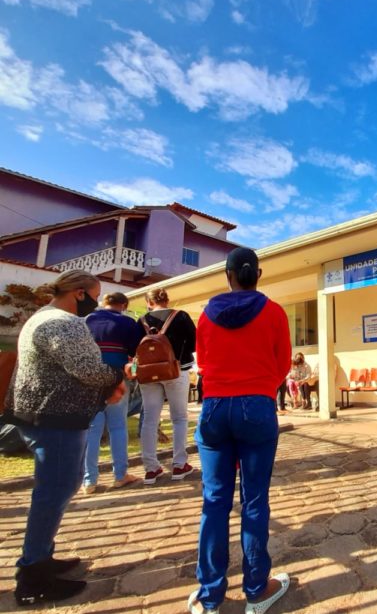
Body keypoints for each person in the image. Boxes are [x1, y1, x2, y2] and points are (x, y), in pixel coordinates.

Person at [10, 270, 125, 606]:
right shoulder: (65, 322)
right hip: (55, 417)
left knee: (60, 485)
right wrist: (118, 376)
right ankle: (32, 577)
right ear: (79, 293)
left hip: (41, 413)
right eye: (94, 294)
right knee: (54, 491)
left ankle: (41, 556)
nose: (95, 301)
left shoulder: (41, 317)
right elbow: (88, 369)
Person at [189, 247, 291, 614]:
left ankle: (210, 596)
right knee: (254, 499)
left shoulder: (205, 315)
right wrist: (261, 388)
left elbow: (202, 361)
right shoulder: (275, 311)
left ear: (228, 275)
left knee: (214, 501)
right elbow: (282, 363)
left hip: (214, 407)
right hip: (257, 406)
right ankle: (256, 589)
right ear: (257, 274)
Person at [82, 292, 145, 494]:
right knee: (118, 427)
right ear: (124, 305)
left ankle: (89, 480)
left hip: (90, 379)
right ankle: (120, 475)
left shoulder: (87, 320)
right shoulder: (128, 323)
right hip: (118, 377)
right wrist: (133, 374)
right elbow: (137, 354)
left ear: (103, 303)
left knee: (92, 429)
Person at [139, 287, 197, 485]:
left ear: (149, 302)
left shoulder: (141, 321)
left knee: (149, 419)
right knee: (179, 418)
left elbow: (134, 347)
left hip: (148, 373)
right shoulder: (180, 317)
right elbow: (193, 342)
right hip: (176, 370)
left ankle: (151, 469)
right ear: (166, 299)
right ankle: (180, 464)